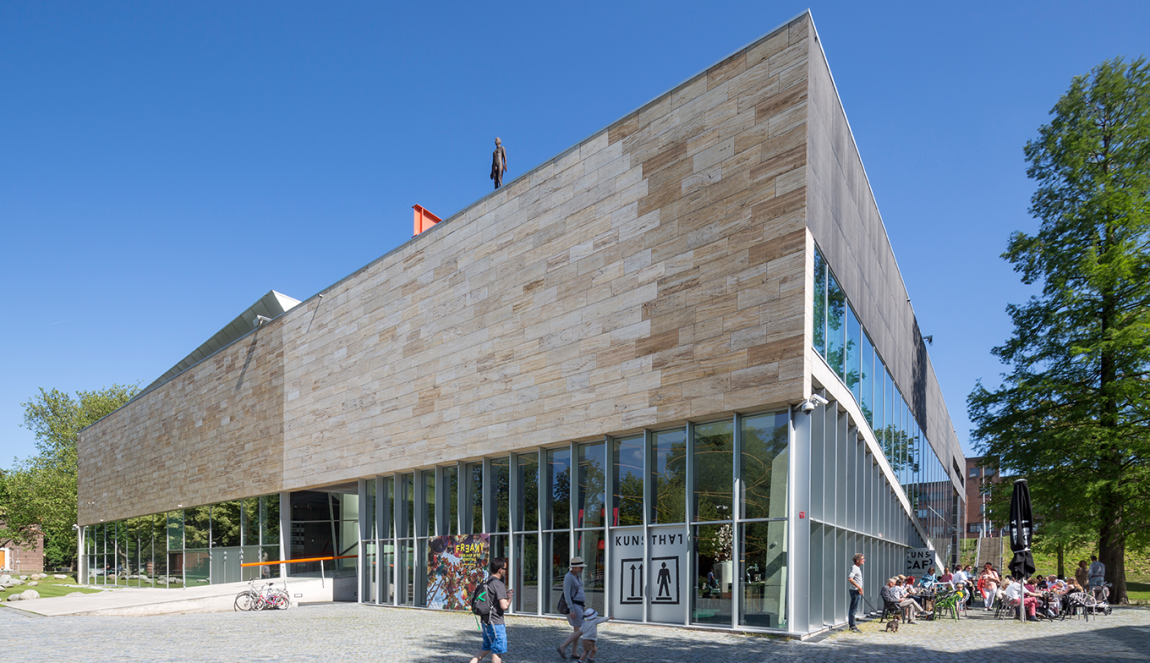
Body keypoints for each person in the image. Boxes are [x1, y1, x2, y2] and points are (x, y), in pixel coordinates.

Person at [468, 559, 512, 663]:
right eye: (505, 569)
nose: (506, 571)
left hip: (485, 622)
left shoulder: (486, 582)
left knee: (486, 647)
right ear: (500, 570)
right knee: (497, 651)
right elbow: (504, 605)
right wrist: (509, 597)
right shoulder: (498, 584)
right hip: (496, 623)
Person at [557, 557, 586, 660]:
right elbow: (567, 594)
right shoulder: (568, 577)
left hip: (579, 605)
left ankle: (574, 652)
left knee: (577, 630)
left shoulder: (577, 575)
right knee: (582, 629)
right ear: (574, 567)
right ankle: (562, 646)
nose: (582, 569)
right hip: (574, 605)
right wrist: (572, 609)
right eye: (580, 567)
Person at [847, 553, 865, 633]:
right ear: (857, 560)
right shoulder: (854, 568)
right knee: (853, 609)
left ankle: (852, 625)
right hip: (855, 591)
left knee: (854, 608)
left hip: (857, 590)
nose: (864, 560)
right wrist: (859, 587)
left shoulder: (857, 568)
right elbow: (850, 579)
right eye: (862, 559)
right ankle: (852, 626)